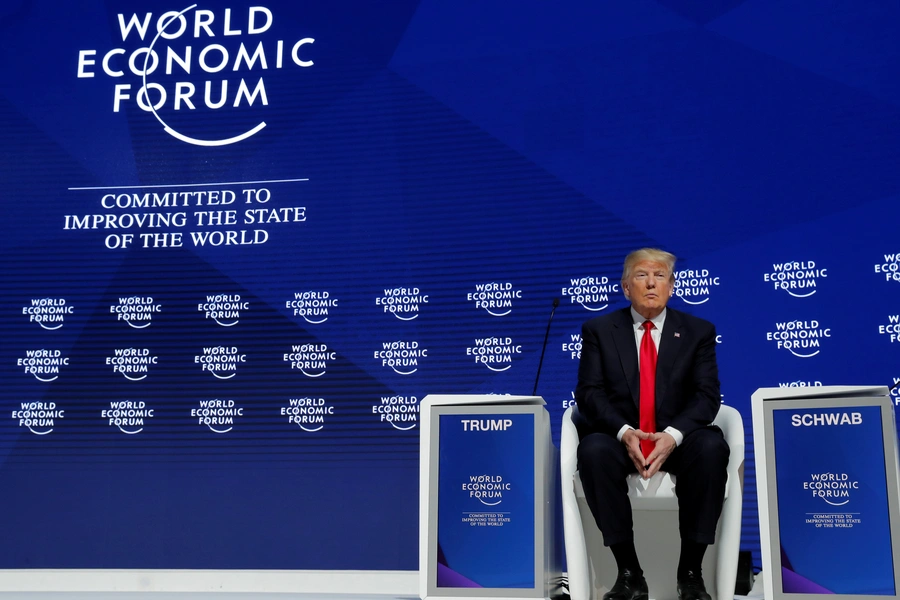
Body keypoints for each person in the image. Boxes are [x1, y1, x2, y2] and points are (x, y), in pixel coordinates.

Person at [575, 248, 729, 600]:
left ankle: (691, 573)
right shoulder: (599, 330)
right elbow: (589, 393)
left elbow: (707, 396)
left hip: (676, 440)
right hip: (621, 438)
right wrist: (624, 432)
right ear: (626, 287)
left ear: (671, 286)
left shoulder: (697, 331)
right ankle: (629, 573)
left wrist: (672, 436)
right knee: (594, 450)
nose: (651, 283)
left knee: (710, 447)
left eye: (660, 276)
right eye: (642, 275)